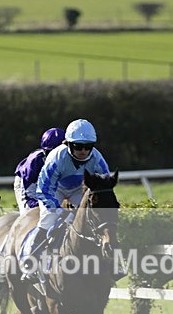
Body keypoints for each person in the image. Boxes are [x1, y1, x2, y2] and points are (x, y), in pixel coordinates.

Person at [22, 119, 111, 280]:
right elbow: (43, 190)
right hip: (54, 189)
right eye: (78, 146)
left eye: (88, 146)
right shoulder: (56, 158)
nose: (83, 151)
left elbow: (105, 187)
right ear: (68, 144)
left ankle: (112, 262)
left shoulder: (98, 160)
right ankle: (31, 263)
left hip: (78, 189)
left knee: (97, 219)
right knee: (48, 219)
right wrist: (59, 210)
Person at [13, 127, 64, 215]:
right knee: (30, 213)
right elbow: (29, 194)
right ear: (44, 151)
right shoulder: (35, 160)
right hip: (27, 183)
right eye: (50, 153)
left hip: (49, 184)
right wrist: (39, 204)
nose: (54, 157)